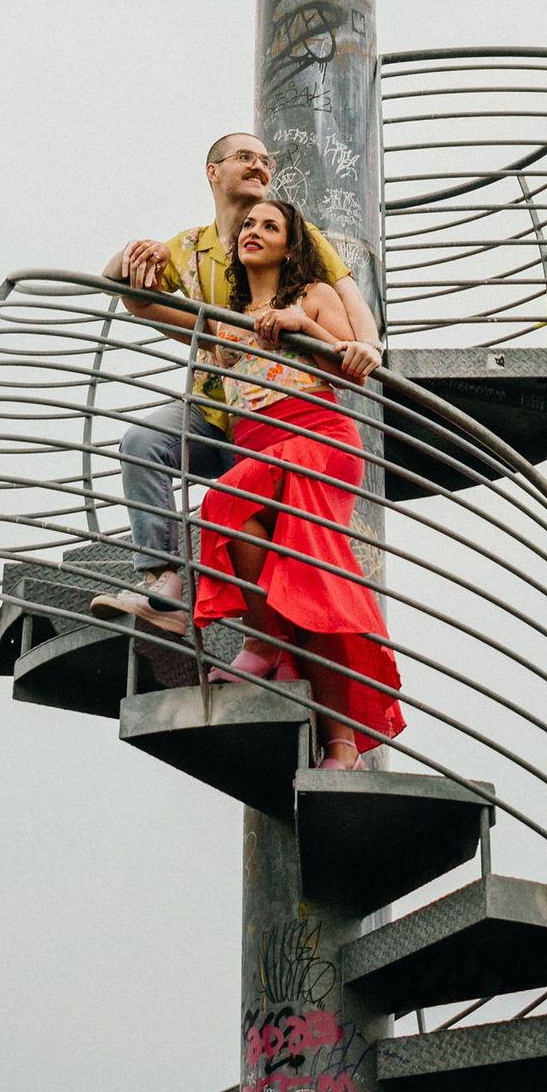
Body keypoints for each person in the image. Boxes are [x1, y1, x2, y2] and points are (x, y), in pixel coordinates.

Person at [91, 134, 358, 631]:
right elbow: (133, 295)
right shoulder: (190, 249)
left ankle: (270, 641)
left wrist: (369, 346)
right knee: (143, 443)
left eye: (265, 160)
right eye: (245, 157)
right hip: (216, 410)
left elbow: (348, 302)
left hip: (280, 423)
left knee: (267, 534)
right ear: (213, 171)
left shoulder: (300, 240)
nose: (259, 166)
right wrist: (132, 253)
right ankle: (163, 582)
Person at [191, 193, 402, 771]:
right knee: (303, 582)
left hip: (316, 439)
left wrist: (302, 325)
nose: (254, 230)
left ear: (290, 246)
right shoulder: (226, 316)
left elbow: (350, 371)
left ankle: (266, 647)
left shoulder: (313, 295)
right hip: (258, 449)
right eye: (248, 224)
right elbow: (150, 308)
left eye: (270, 226)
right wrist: (133, 268)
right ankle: (336, 737)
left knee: (226, 503)